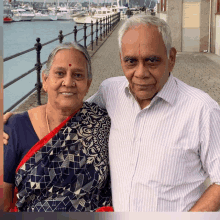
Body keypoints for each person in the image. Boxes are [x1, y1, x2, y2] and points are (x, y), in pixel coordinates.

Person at [3, 15, 220, 212]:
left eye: (152, 60)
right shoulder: (111, 92)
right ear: (121, 59)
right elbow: (69, 108)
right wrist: (12, 121)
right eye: (131, 61)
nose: (141, 73)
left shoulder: (202, 109)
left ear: (171, 57)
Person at [3, 42, 112, 212]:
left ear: (88, 84)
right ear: (45, 80)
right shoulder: (14, 128)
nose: (68, 82)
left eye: (78, 75)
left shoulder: (102, 123)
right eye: (60, 73)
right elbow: (3, 203)